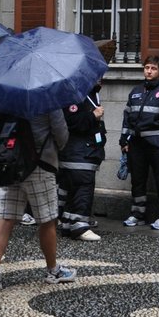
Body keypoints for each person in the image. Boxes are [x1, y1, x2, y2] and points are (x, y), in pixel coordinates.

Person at [0, 102, 75, 293]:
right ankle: (52, 270)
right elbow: (61, 134)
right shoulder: (46, 97)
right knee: (47, 220)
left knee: (6, 218)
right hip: (40, 165)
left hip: (10, 162)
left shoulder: (6, 95)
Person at [120, 53, 159, 229]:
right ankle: (137, 214)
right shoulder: (136, 91)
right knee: (137, 179)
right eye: (147, 68)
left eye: (153, 68)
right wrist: (124, 140)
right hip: (136, 144)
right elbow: (127, 117)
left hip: (157, 145)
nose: (149, 71)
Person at [57, 78, 106, 241]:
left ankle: (68, 224)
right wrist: (93, 115)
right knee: (83, 186)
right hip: (79, 154)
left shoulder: (90, 94)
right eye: (97, 75)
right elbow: (72, 122)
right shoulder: (74, 95)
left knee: (74, 188)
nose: (100, 78)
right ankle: (80, 226)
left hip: (86, 152)